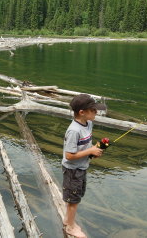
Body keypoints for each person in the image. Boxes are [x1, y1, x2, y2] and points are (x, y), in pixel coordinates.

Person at [62, 94, 106, 238]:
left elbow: (85, 146)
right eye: (93, 110)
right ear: (82, 112)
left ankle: (68, 220)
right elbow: (69, 155)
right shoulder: (74, 131)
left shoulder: (89, 123)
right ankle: (70, 227)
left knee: (75, 198)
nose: (96, 112)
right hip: (72, 170)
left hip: (81, 167)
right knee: (74, 201)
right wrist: (90, 151)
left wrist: (95, 150)